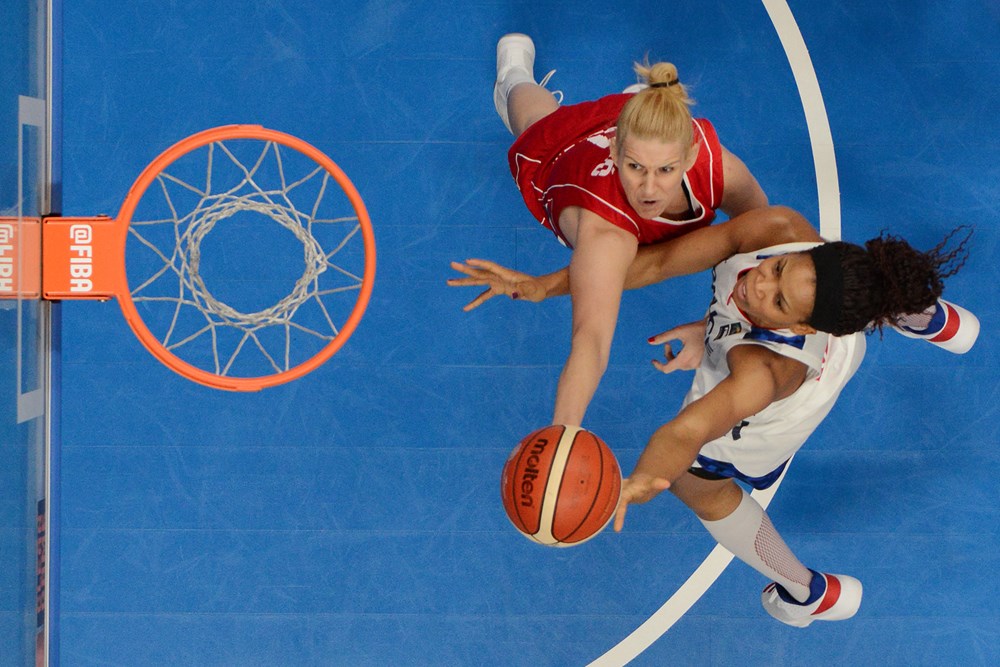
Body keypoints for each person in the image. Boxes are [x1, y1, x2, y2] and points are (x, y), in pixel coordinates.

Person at [451, 205, 973, 625]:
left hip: (789, 398)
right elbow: (653, 264)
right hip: (809, 314)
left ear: (807, 328)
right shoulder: (779, 230)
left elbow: (688, 430)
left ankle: (807, 592)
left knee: (695, 485)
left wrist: (644, 480)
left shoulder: (762, 373)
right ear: (800, 251)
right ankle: (920, 312)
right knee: (861, 283)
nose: (757, 285)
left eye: (777, 300)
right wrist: (546, 285)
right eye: (776, 269)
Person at [490, 32, 769, 428]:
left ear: (689, 155)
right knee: (539, 121)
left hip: (638, 133)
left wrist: (714, 324)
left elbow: (765, 236)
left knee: (650, 137)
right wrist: (562, 434)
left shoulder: (714, 164)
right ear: (614, 151)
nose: (650, 189)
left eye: (665, 170)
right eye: (635, 168)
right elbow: (591, 342)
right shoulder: (605, 235)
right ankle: (513, 80)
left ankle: (639, 102)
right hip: (567, 158)